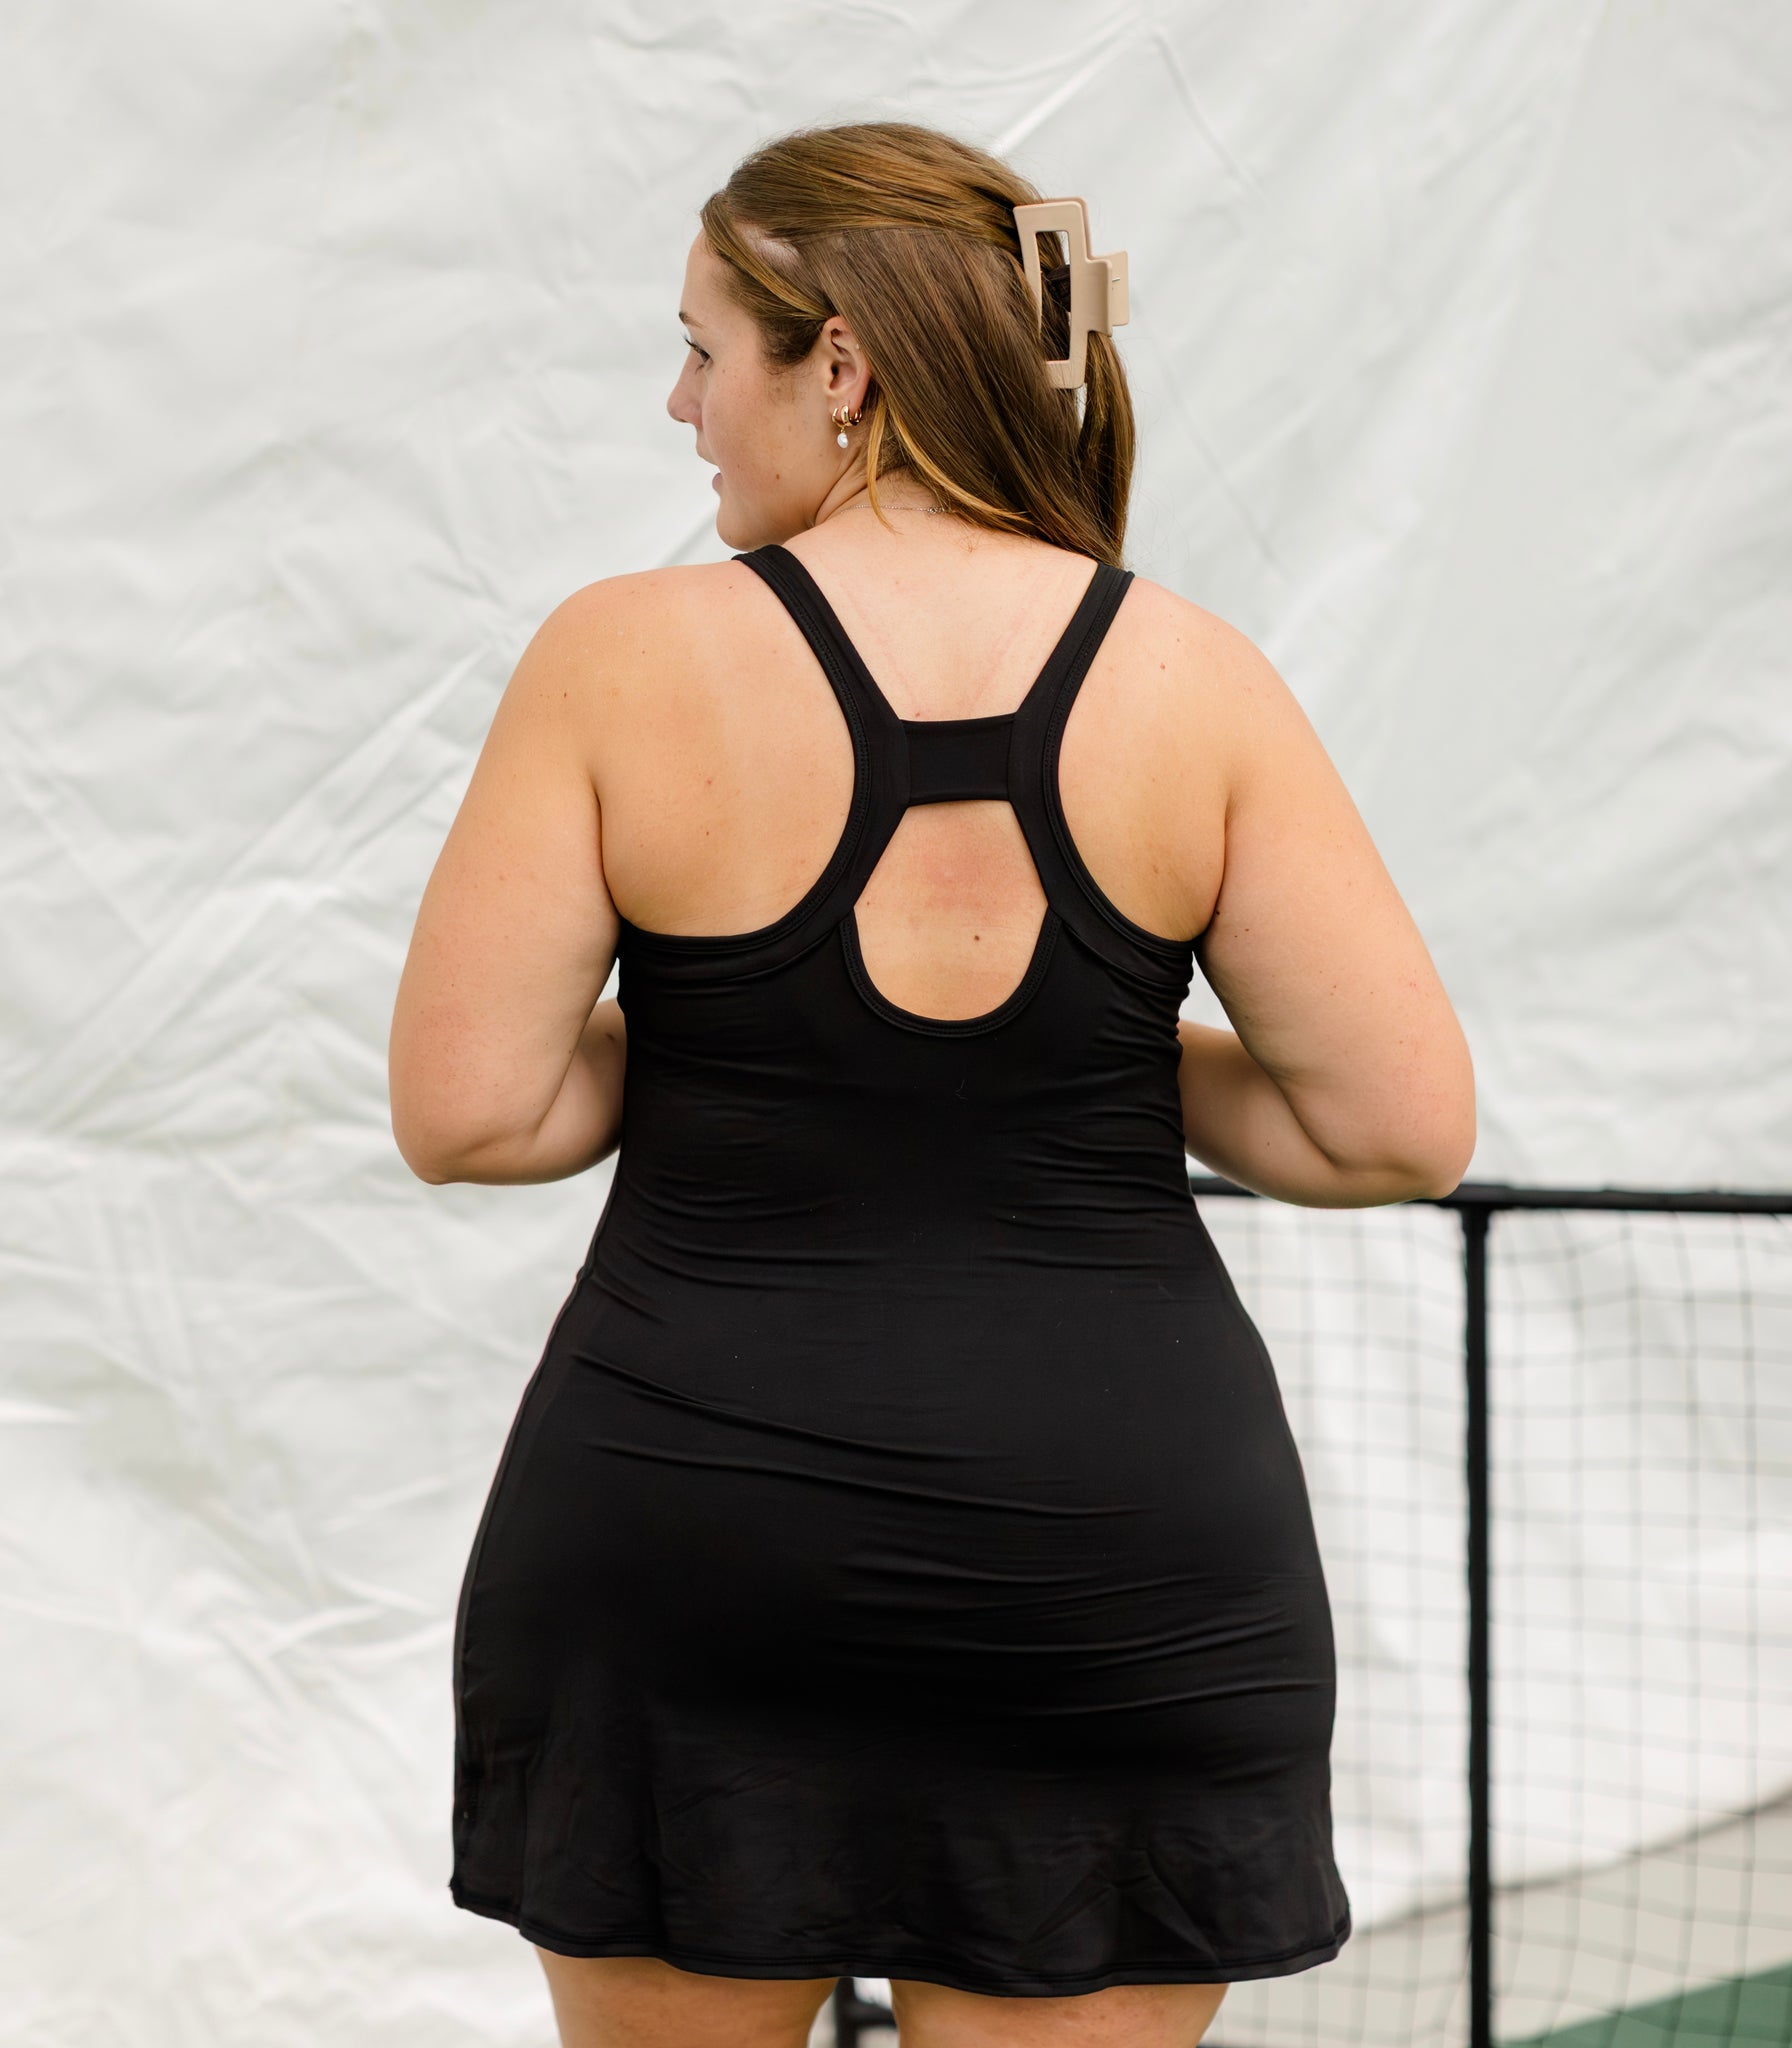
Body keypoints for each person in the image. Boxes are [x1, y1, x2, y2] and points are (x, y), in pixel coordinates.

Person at [388, 119, 1474, 2048]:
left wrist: (748, 1034)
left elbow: (481, 1112)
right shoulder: (1188, 676)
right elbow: (1388, 1127)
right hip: (1115, 1566)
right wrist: (1090, 1059)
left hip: (688, 1540)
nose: (681, 402)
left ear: (843, 367)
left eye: (706, 349)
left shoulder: (620, 661)